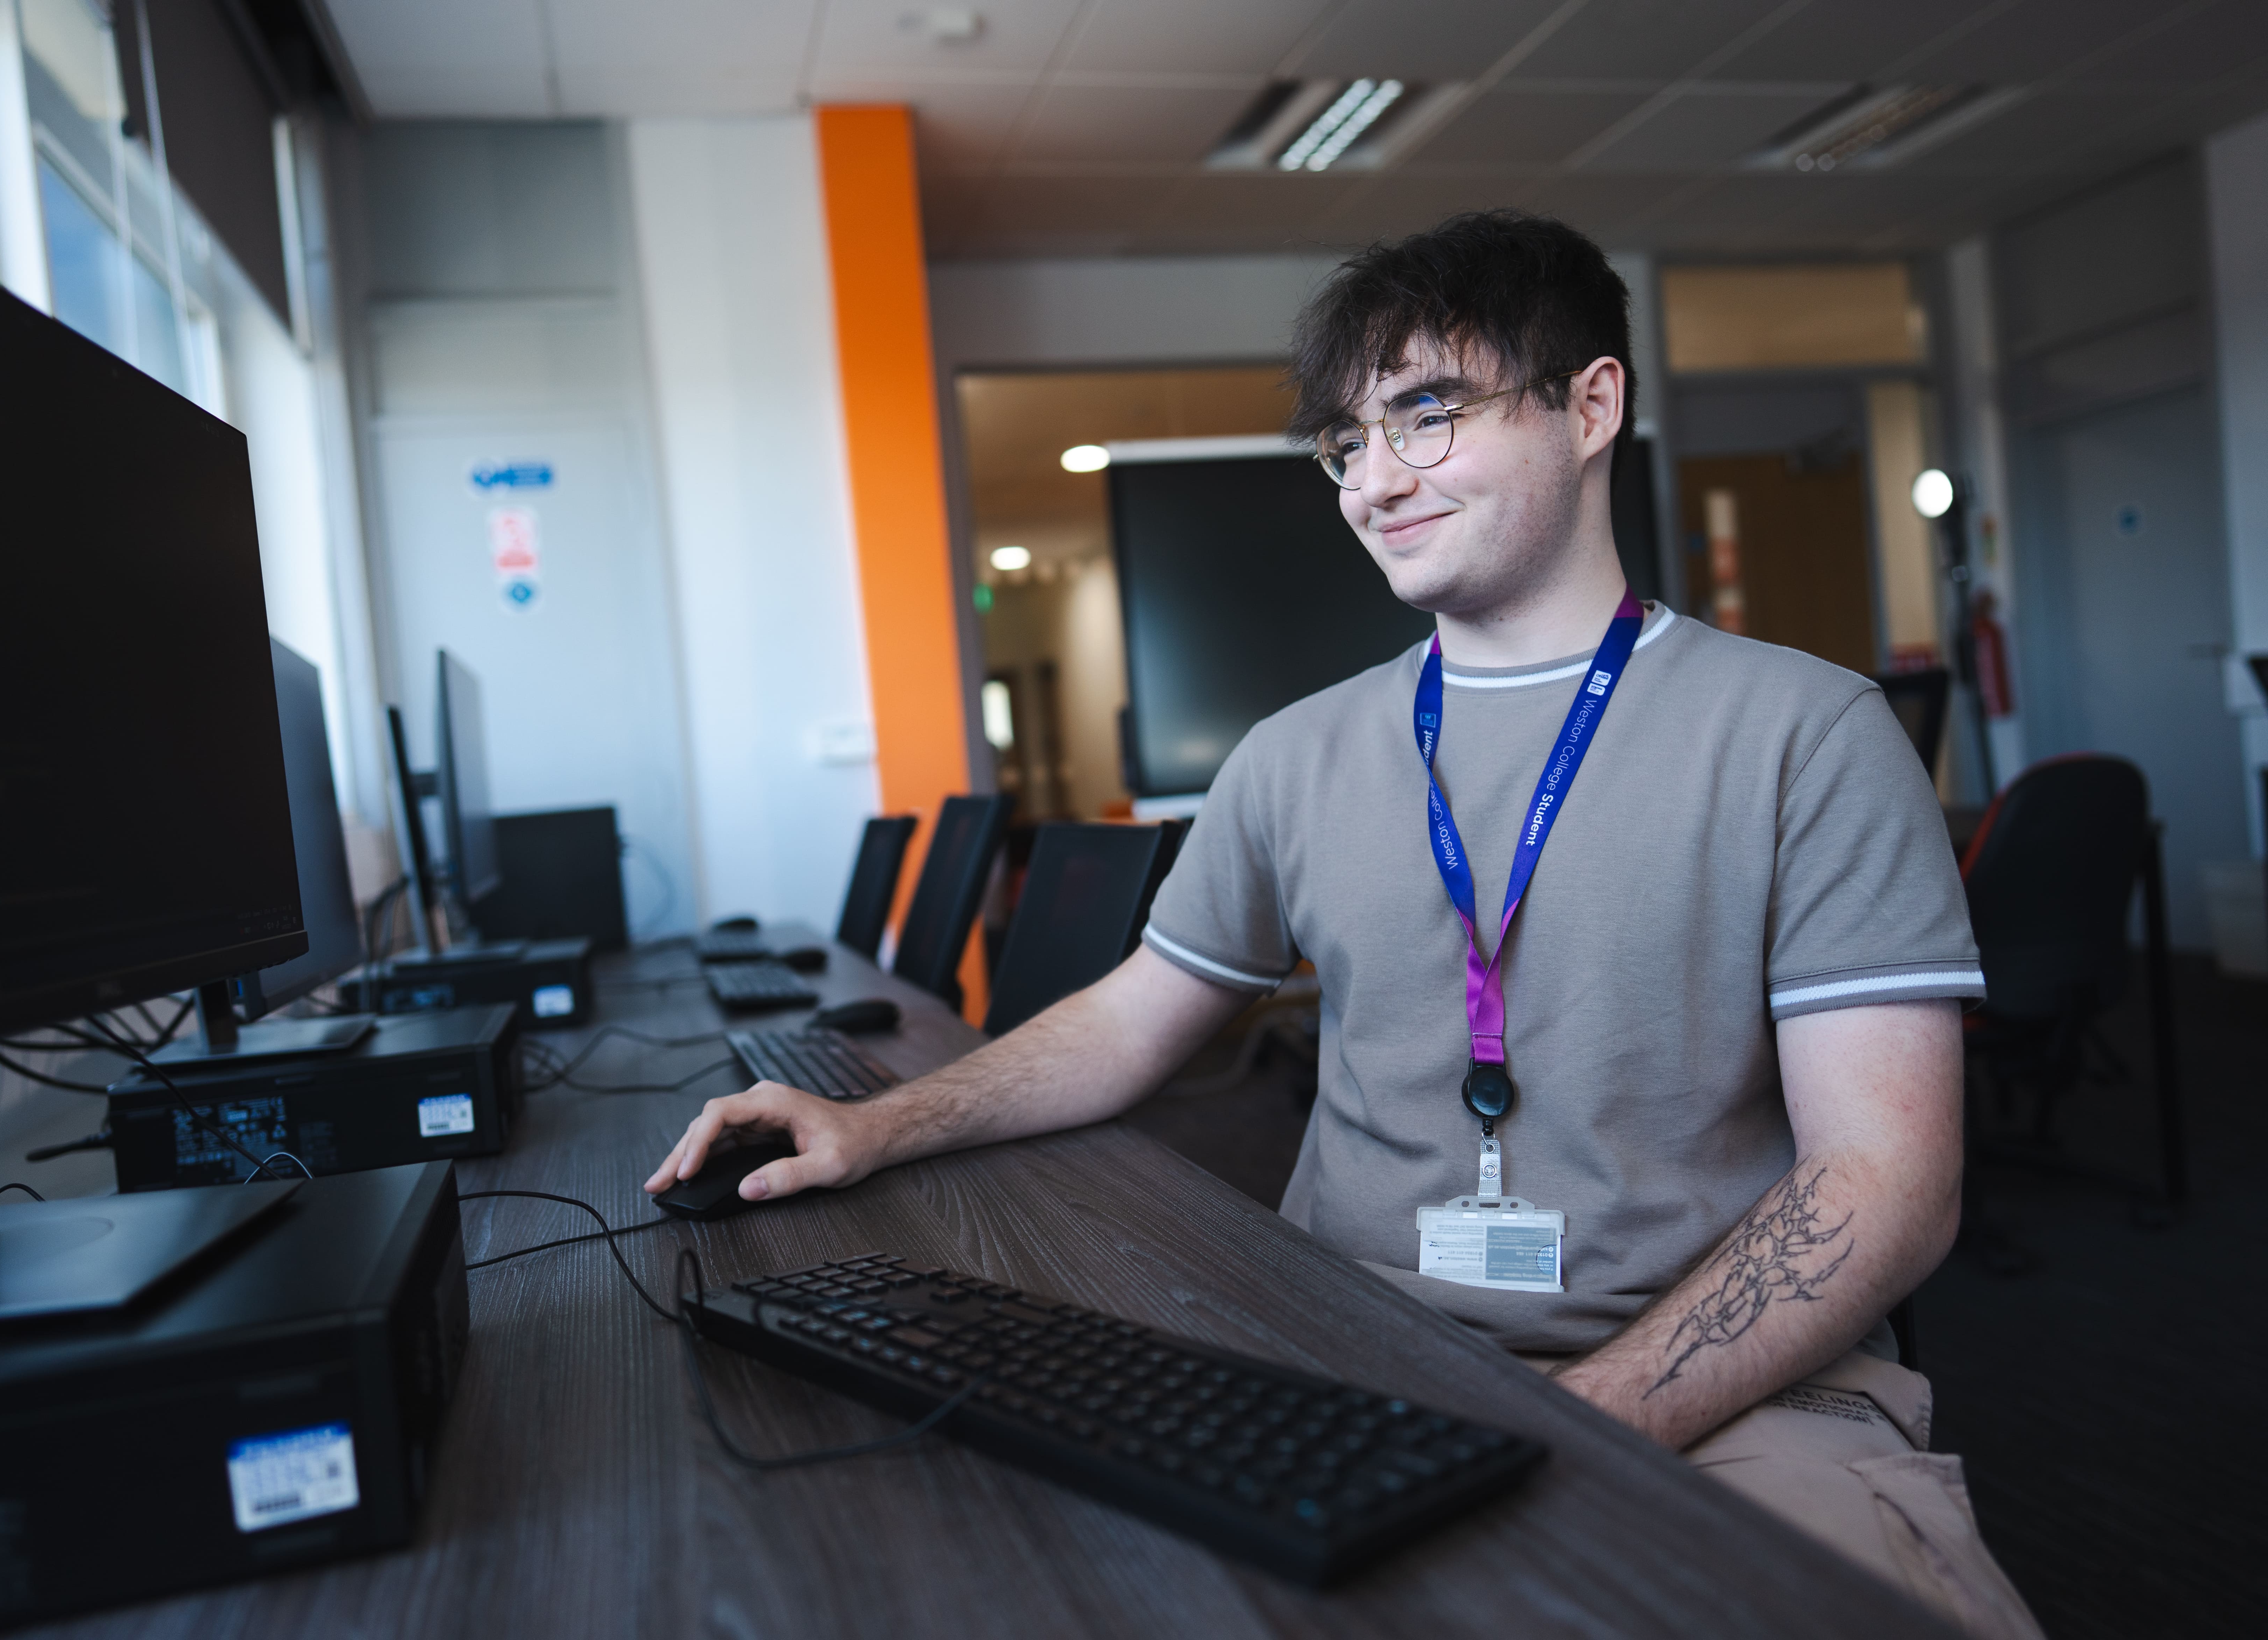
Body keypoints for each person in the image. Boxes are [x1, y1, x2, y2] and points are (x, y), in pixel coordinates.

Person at [649, 211, 2041, 1638]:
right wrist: (875, 1124)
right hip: (1334, 1351)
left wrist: (1570, 1421)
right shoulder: (1295, 755)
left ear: (1591, 405)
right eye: (1345, 443)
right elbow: (1136, 1019)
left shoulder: (1805, 732)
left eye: (1426, 417)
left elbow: (1887, 1176)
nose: (1372, 482)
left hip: (1727, 1385)